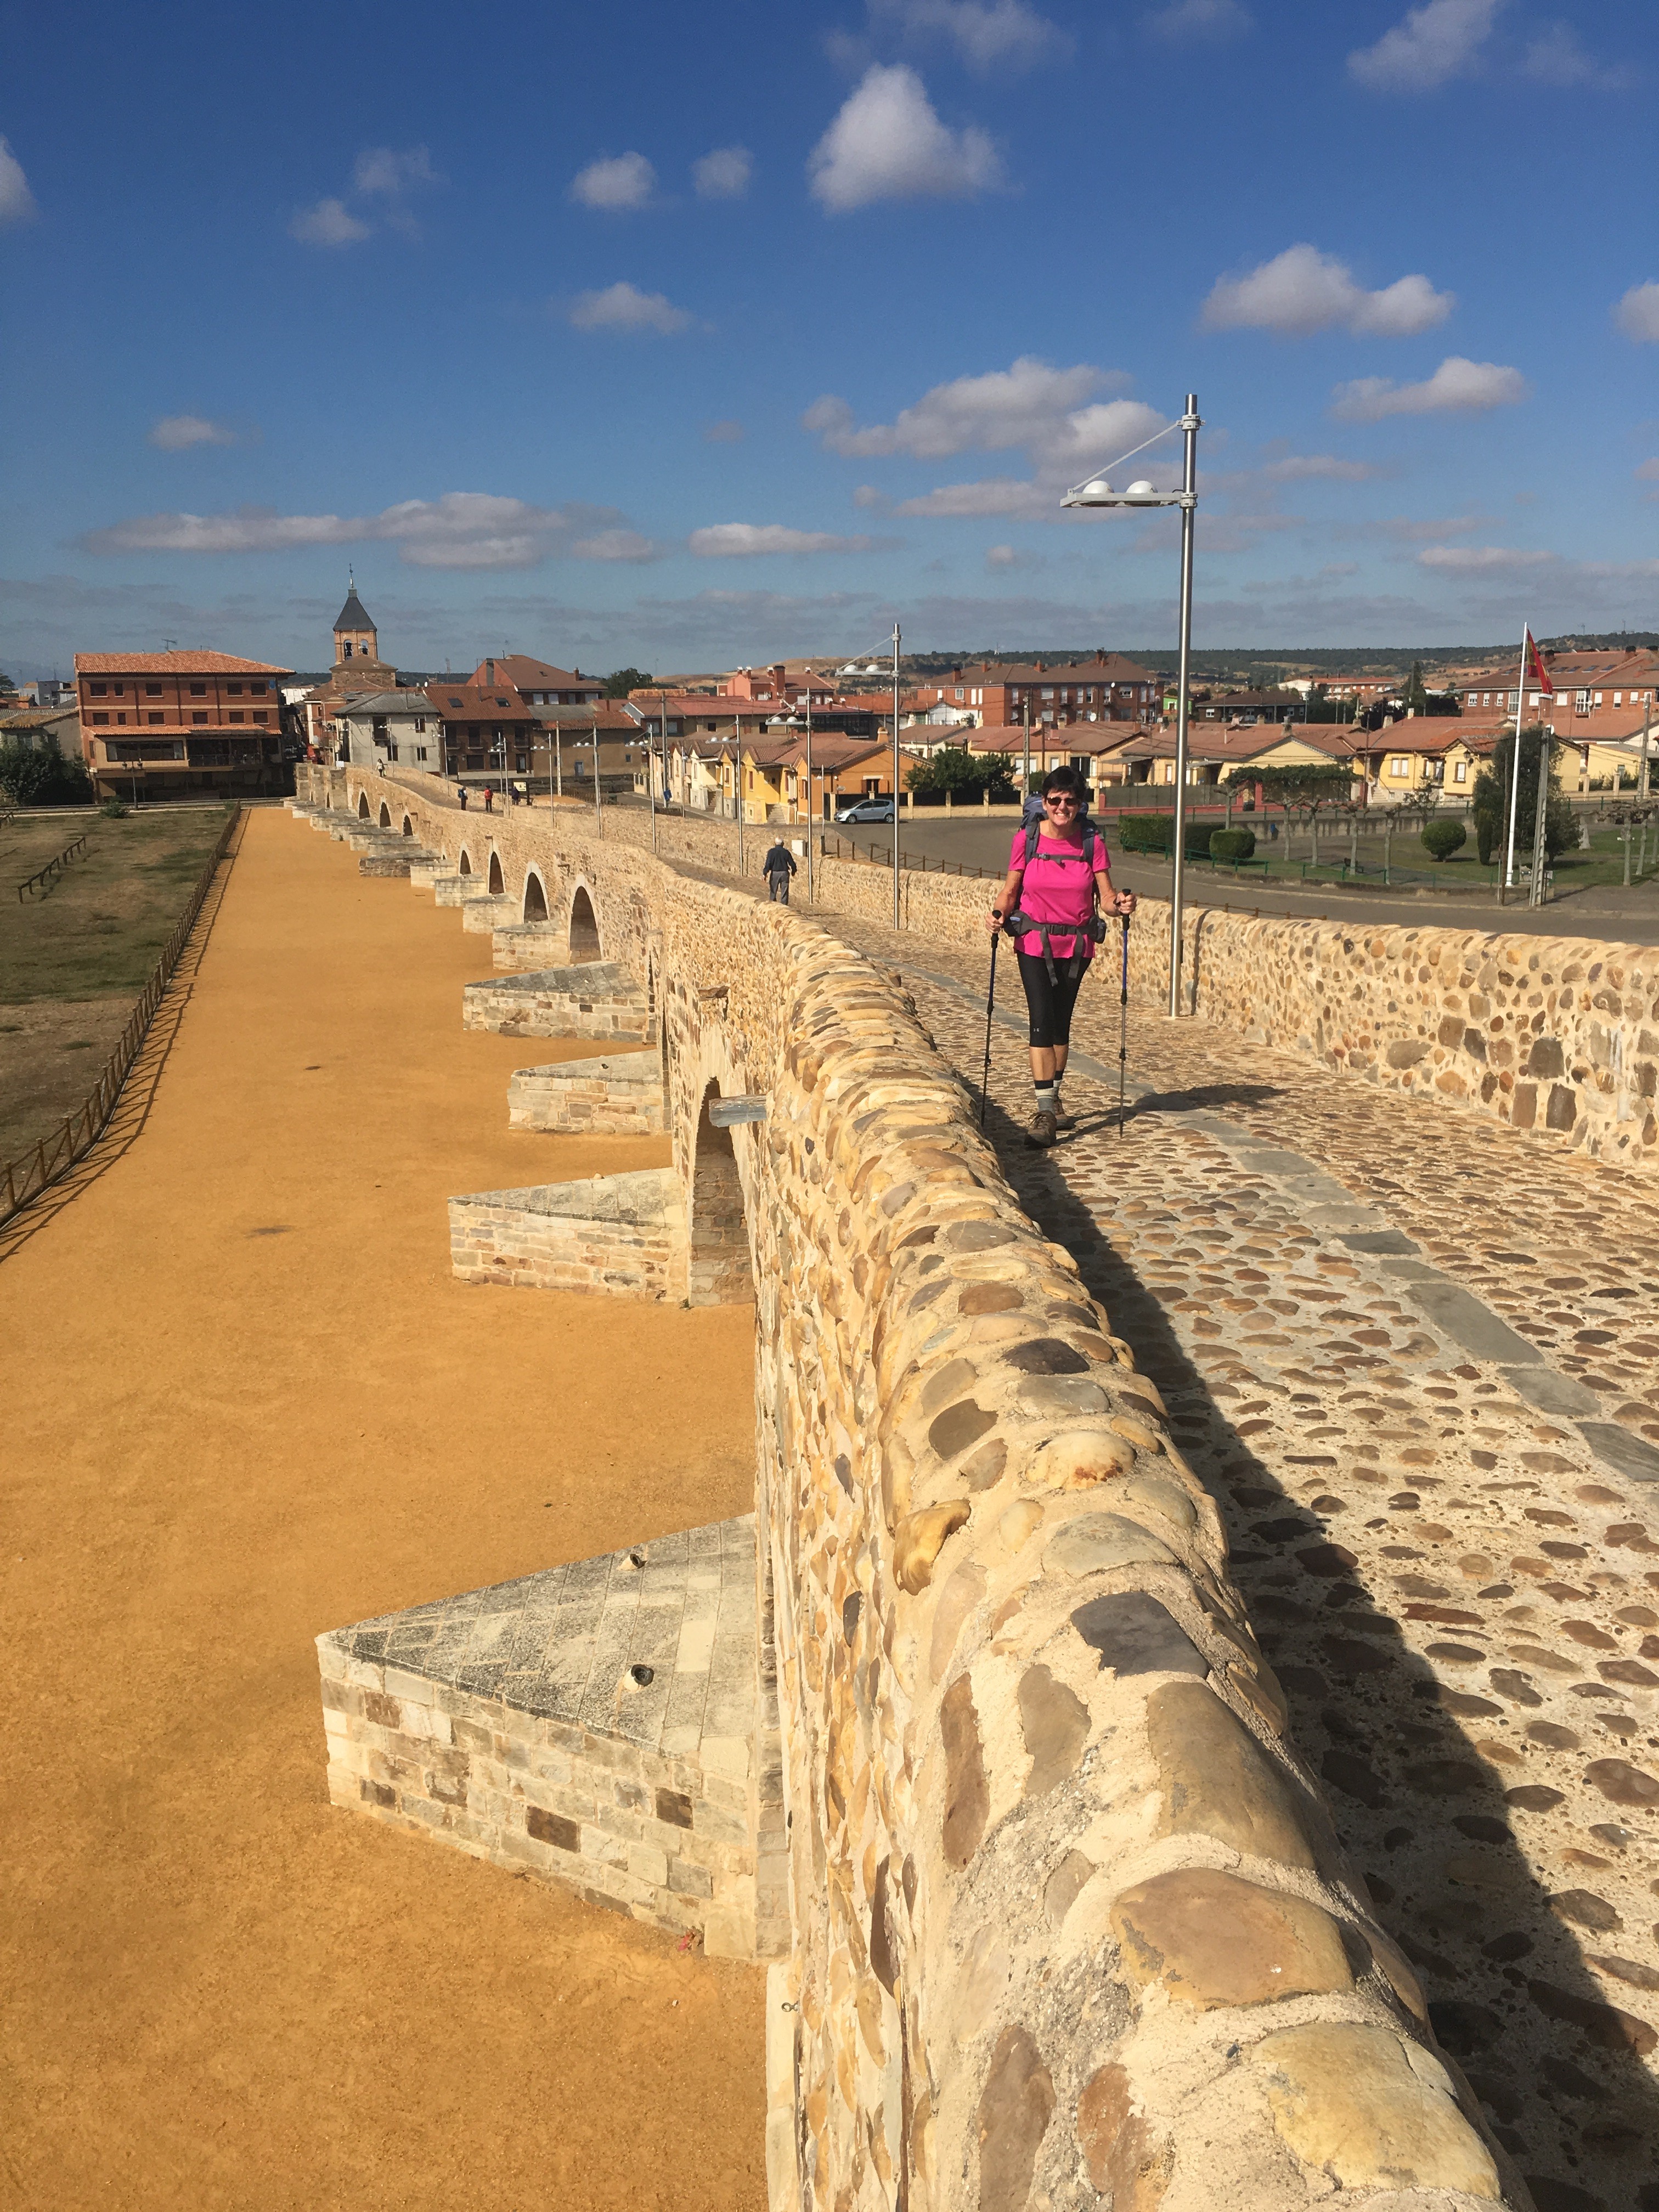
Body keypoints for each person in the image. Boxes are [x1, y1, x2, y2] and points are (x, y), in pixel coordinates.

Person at [986, 765, 1136, 1147]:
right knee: (1040, 1017)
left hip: (1077, 945)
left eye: (1070, 801)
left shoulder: (1091, 843)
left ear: (1079, 803)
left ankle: (1052, 1099)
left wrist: (1120, 906)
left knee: (1060, 1024)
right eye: (1055, 800)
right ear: (1044, 801)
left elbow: (1106, 899)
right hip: (1033, 942)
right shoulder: (1028, 838)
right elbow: (1011, 888)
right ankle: (1044, 1112)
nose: (1062, 807)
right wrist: (998, 912)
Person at [763, 836, 797, 904]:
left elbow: (768, 863)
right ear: (783, 844)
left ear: (775, 843)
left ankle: (773, 905)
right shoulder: (786, 852)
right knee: (785, 892)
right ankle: (784, 906)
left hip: (775, 873)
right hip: (785, 873)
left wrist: (765, 873)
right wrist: (794, 871)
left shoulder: (771, 852)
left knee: (773, 891)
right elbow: (792, 864)